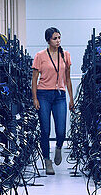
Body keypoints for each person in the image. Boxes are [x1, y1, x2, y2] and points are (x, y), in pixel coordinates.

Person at [31, 27, 73, 174]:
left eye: (59, 38)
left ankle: (59, 147)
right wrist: (35, 98)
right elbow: (34, 79)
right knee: (45, 130)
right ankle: (47, 161)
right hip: (43, 95)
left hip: (60, 95)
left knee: (61, 131)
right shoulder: (40, 56)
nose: (58, 41)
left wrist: (71, 99)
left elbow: (68, 79)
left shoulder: (65, 55)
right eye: (55, 38)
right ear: (48, 40)